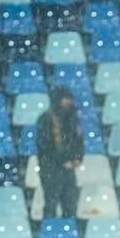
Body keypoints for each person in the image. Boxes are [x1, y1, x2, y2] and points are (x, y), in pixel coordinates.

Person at [35, 91, 85, 220]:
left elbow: (79, 140)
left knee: (70, 205)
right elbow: (45, 146)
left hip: (68, 170)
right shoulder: (45, 119)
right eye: (65, 98)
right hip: (50, 169)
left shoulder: (73, 119)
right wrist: (63, 160)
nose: (68, 102)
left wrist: (78, 158)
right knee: (51, 205)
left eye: (70, 98)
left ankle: (68, 233)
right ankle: (50, 233)